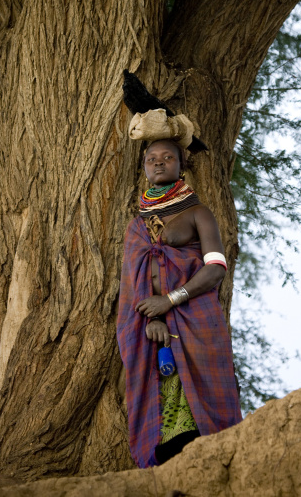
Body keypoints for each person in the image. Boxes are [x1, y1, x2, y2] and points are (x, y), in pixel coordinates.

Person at [117, 137, 242, 468]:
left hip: (195, 320)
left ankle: (212, 465)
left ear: (180, 164)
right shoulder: (136, 226)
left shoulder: (198, 212)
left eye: (167, 157)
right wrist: (151, 318)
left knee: (203, 397)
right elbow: (132, 287)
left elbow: (216, 268)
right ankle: (170, 471)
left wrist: (170, 301)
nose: (158, 162)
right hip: (154, 331)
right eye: (151, 158)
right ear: (144, 168)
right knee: (163, 404)